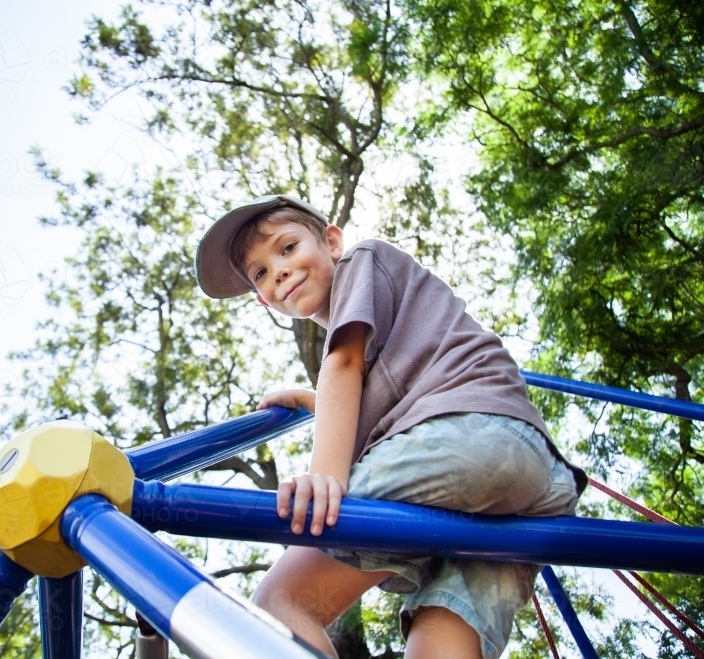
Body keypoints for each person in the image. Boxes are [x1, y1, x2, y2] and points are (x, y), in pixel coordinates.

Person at [194, 194, 587, 659]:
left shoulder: (365, 259)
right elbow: (389, 395)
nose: (277, 271)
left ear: (332, 242)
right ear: (263, 301)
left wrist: (326, 475)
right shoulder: (391, 335)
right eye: (259, 273)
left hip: (468, 437)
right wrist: (315, 403)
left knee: (283, 603)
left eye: (287, 248)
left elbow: (343, 362)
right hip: (535, 489)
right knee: (439, 638)